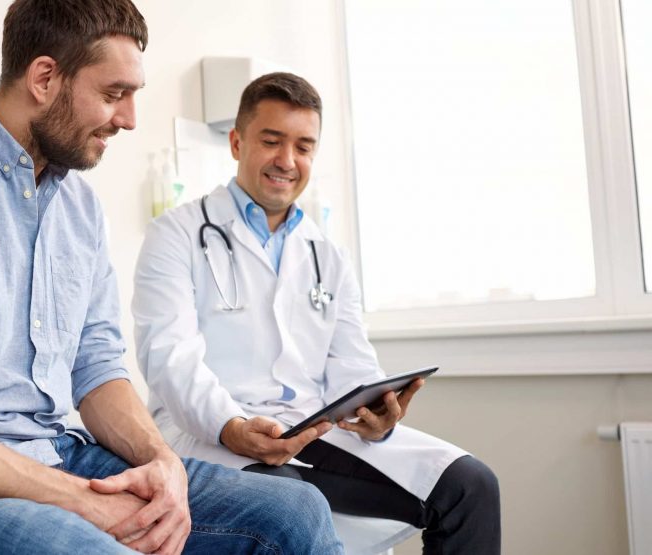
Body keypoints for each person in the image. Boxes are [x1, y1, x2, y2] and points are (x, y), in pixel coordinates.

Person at [0, 2, 344, 554]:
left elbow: (96, 367)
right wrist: (83, 504)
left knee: (295, 512)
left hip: (56, 453)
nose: (129, 119)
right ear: (45, 78)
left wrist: (162, 461)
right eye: (115, 93)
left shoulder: (79, 206)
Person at [132, 72, 501, 554]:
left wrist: (376, 413)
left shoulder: (328, 254)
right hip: (211, 436)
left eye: (303, 146)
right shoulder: (175, 235)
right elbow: (170, 360)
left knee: (471, 486)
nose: (287, 160)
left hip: (312, 432)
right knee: (292, 504)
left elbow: (352, 364)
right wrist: (232, 427)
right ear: (237, 143)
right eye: (272, 141)